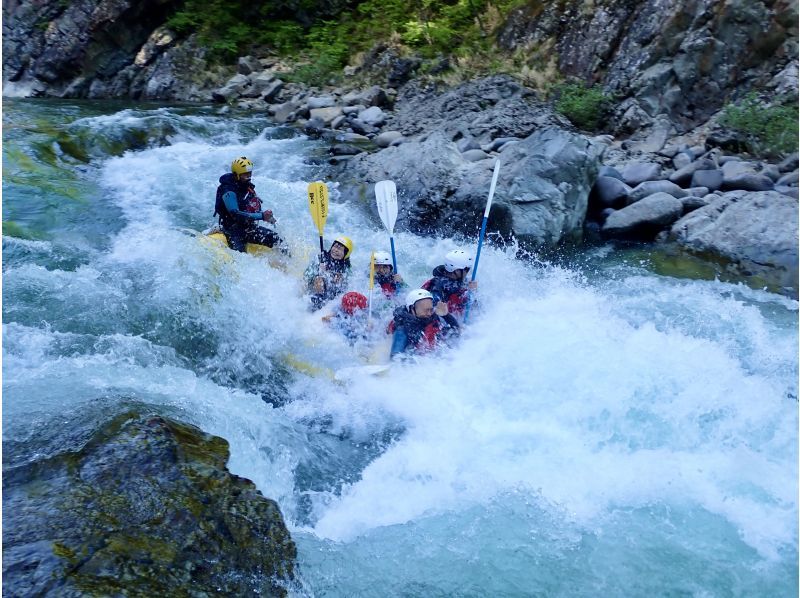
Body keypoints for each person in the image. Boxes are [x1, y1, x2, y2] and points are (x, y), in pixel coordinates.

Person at [214, 156, 285, 253]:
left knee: (277, 239)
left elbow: (251, 209)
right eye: (245, 175)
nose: (248, 177)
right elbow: (235, 214)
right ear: (236, 175)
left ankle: (290, 263)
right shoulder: (228, 191)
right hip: (233, 231)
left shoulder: (246, 187)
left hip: (249, 229)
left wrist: (266, 216)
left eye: (249, 174)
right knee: (240, 255)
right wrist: (261, 216)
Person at [389, 289, 460, 359]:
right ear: (412, 309)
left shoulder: (432, 319)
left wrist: (446, 316)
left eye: (431, 309)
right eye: (425, 310)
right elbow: (396, 358)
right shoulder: (402, 329)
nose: (429, 313)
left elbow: (456, 333)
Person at [421, 249, 476, 320]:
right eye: (467, 269)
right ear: (456, 271)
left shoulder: (457, 279)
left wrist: (472, 291)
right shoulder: (438, 287)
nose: (468, 272)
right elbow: (433, 314)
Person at [304, 236, 353, 311]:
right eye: (335, 246)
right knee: (319, 279)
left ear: (345, 254)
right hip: (315, 289)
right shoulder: (320, 258)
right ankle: (316, 304)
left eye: (340, 249)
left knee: (339, 280)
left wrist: (342, 279)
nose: (336, 250)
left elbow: (349, 284)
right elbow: (306, 276)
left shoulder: (346, 267)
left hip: (333, 292)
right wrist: (318, 270)